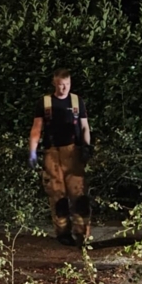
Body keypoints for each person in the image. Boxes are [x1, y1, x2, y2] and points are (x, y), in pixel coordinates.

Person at [28, 68, 93, 245]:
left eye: (67, 84)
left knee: (79, 195)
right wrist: (32, 151)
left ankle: (81, 234)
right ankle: (62, 232)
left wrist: (86, 146)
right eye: (60, 85)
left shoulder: (76, 101)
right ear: (54, 83)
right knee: (58, 196)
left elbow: (85, 126)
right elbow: (36, 129)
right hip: (52, 153)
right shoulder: (45, 102)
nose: (64, 88)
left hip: (73, 152)